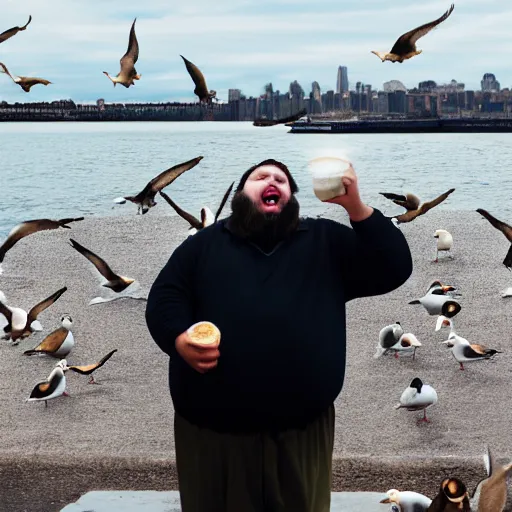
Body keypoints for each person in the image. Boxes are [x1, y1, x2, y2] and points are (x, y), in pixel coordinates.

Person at [145, 158, 413, 512]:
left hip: (301, 434)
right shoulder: (204, 245)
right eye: (260, 177)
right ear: (240, 195)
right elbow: (164, 299)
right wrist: (180, 340)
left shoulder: (324, 241)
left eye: (282, 180)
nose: (273, 181)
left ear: (292, 199)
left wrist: (355, 206)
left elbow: (393, 267)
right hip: (212, 435)